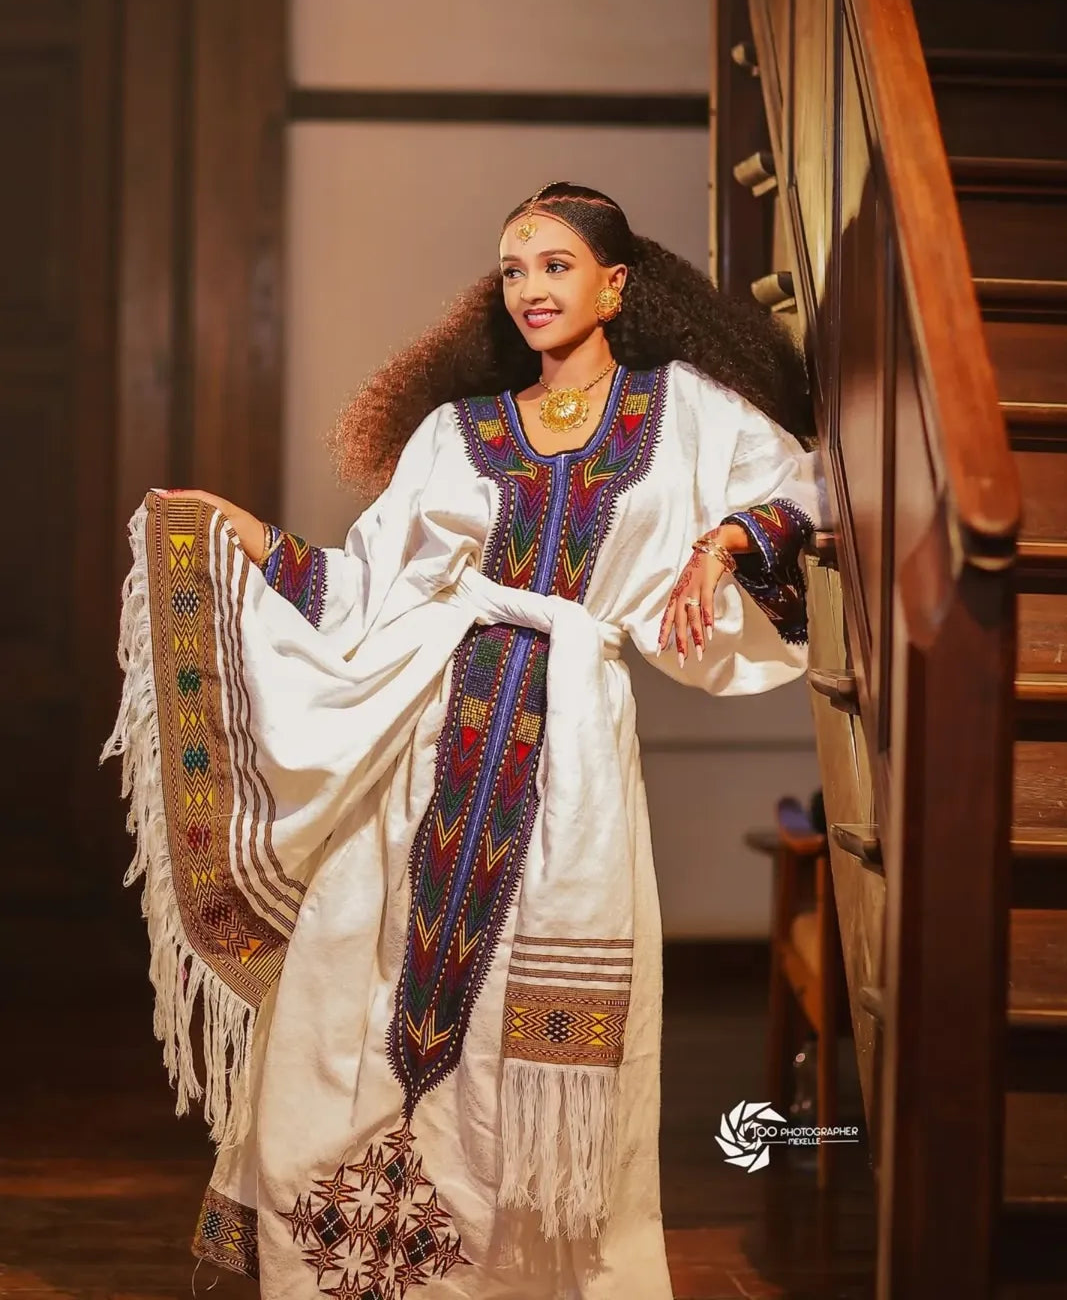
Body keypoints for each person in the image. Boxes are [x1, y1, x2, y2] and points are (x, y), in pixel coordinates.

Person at [103, 181, 825, 1299]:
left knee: (516, 1048)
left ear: (614, 284)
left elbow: (808, 490)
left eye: (555, 265)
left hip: (571, 779)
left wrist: (726, 539)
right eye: (512, 270)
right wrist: (252, 543)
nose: (530, 289)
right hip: (426, 748)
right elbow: (368, 593)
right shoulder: (460, 432)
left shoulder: (681, 409)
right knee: (364, 1003)